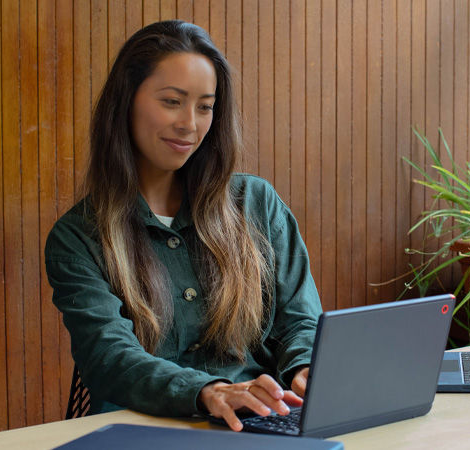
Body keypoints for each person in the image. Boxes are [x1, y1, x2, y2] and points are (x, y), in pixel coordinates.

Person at [45, 20, 322, 432]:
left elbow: (302, 319)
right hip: (143, 431)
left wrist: (304, 369)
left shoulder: (257, 204)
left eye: (205, 106)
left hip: (265, 422)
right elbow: (110, 358)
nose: (190, 124)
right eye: (172, 101)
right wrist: (208, 391)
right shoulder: (78, 237)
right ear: (127, 102)